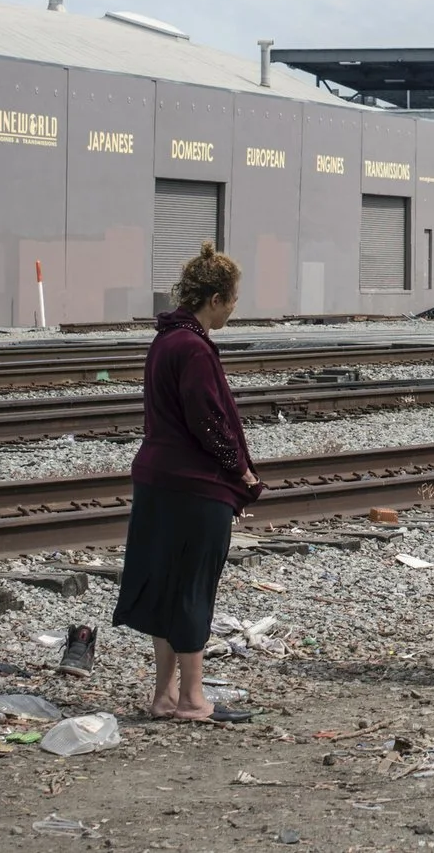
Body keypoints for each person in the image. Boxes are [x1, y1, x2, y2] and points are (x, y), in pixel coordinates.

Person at [112, 241, 261, 723]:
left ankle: (165, 696)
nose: (234, 308)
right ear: (214, 298)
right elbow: (208, 419)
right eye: (233, 299)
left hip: (157, 480)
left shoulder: (164, 341)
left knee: (167, 589)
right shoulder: (193, 348)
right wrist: (238, 468)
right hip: (195, 486)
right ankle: (194, 700)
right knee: (194, 589)